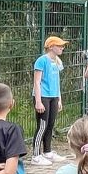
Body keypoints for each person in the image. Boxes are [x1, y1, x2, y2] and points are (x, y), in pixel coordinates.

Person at [32, 36, 68, 166]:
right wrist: (38, 101)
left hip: (53, 96)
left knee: (50, 124)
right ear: (51, 47)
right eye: (59, 46)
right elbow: (36, 81)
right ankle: (35, 155)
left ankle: (47, 152)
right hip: (43, 96)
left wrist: (59, 99)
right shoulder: (41, 60)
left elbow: (57, 81)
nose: (62, 48)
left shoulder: (57, 61)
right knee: (42, 125)